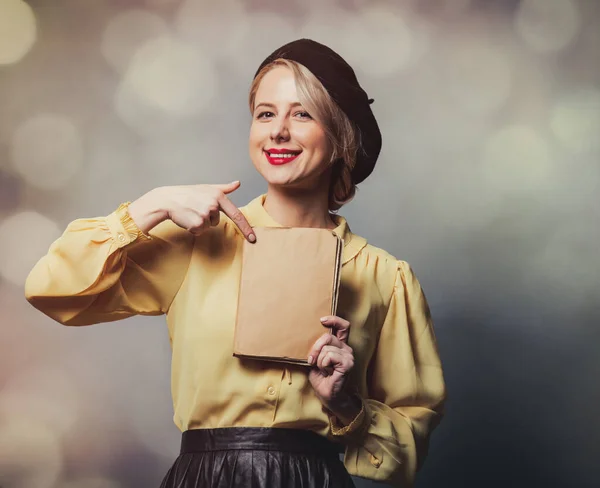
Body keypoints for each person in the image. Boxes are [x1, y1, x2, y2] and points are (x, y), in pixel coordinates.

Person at [25, 39, 446, 487]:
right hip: (204, 476)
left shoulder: (385, 277)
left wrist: (347, 405)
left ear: (340, 135)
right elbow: (50, 289)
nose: (278, 131)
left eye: (302, 114)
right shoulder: (196, 242)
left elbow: (407, 449)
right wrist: (154, 204)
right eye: (265, 113)